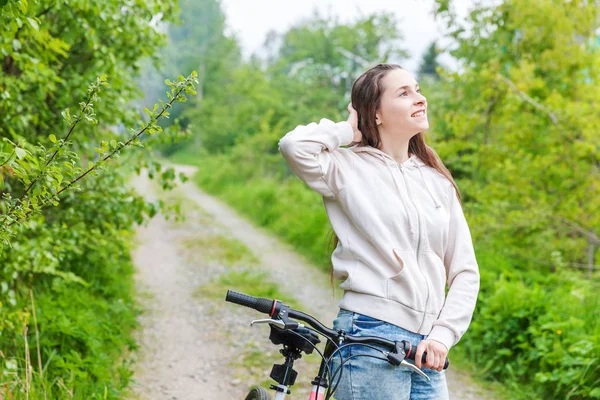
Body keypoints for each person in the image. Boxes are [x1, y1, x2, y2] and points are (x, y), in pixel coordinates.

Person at [278, 63, 480, 399]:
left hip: (428, 349)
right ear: (376, 114)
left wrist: (444, 334)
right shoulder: (346, 167)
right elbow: (293, 145)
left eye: (417, 90)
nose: (420, 99)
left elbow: (465, 271)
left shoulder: (436, 181)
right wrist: (348, 131)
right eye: (404, 93)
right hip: (369, 335)